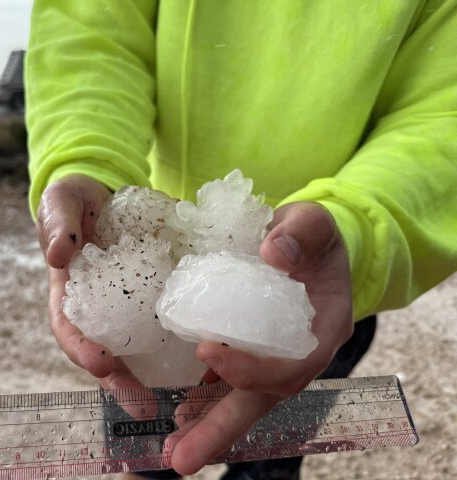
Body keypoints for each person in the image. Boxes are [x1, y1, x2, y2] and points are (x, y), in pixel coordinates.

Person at [24, 1, 457, 478]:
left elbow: (444, 112)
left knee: (268, 466)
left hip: (333, 287)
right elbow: (92, 36)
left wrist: (359, 227)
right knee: (143, 455)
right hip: (164, 283)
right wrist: (86, 161)